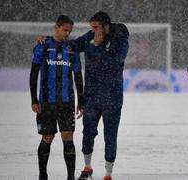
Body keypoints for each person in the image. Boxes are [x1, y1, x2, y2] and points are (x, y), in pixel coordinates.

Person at [75, 11, 129, 180]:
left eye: (96, 27)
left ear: (106, 27)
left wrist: (98, 45)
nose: (93, 31)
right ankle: (87, 167)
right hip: (91, 97)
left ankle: (108, 174)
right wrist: (49, 42)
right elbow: (72, 46)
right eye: (91, 27)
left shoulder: (121, 40)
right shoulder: (90, 36)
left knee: (110, 136)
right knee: (88, 133)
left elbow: (113, 63)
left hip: (113, 99)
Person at [30, 15, 84, 180]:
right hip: (47, 101)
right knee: (47, 137)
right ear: (56, 27)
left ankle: (70, 177)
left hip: (67, 102)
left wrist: (81, 101)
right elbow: (33, 74)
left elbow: (78, 76)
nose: (67, 33)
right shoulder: (43, 46)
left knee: (68, 137)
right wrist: (34, 99)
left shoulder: (72, 48)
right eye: (65, 30)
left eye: (70, 31)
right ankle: (42, 175)